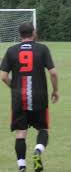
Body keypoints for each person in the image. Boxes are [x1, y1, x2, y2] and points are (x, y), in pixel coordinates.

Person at [0, 22, 59, 172]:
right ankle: (38, 151)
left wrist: (15, 87)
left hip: (19, 98)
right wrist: (55, 90)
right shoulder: (42, 49)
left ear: (20, 35)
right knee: (43, 129)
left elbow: (3, 76)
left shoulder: (11, 50)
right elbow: (53, 73)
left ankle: (21, 166)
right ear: (33, 33)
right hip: (39, 96)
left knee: (21, 133)